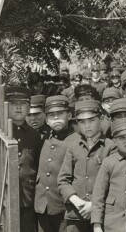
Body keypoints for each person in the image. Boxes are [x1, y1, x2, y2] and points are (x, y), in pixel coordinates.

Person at [58, 99, 117, 232]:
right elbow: (63, 180)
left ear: (101, 119)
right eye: (82, 122)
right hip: (75, 214)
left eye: (91, 120)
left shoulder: (110, 147)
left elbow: (113, 184)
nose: (87, 126)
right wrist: (77, 202)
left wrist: (93, 205)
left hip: (102, 215)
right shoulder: (73, 146)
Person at [35, 95, 76, 232]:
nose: (56, 118)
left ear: (69, 115)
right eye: (52, 115)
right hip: (42, 206)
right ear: (46, 120)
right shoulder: (43, 138)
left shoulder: (76, 140)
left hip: (63, 207)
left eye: (60, 114)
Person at [6, 85, 41, 232]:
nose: (18, 107)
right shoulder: (0, 132)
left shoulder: (35, 135)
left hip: (27, 196)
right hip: (4, 195)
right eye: (14, 103)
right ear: (6, 106)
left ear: (28, 107)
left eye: (23, 103)